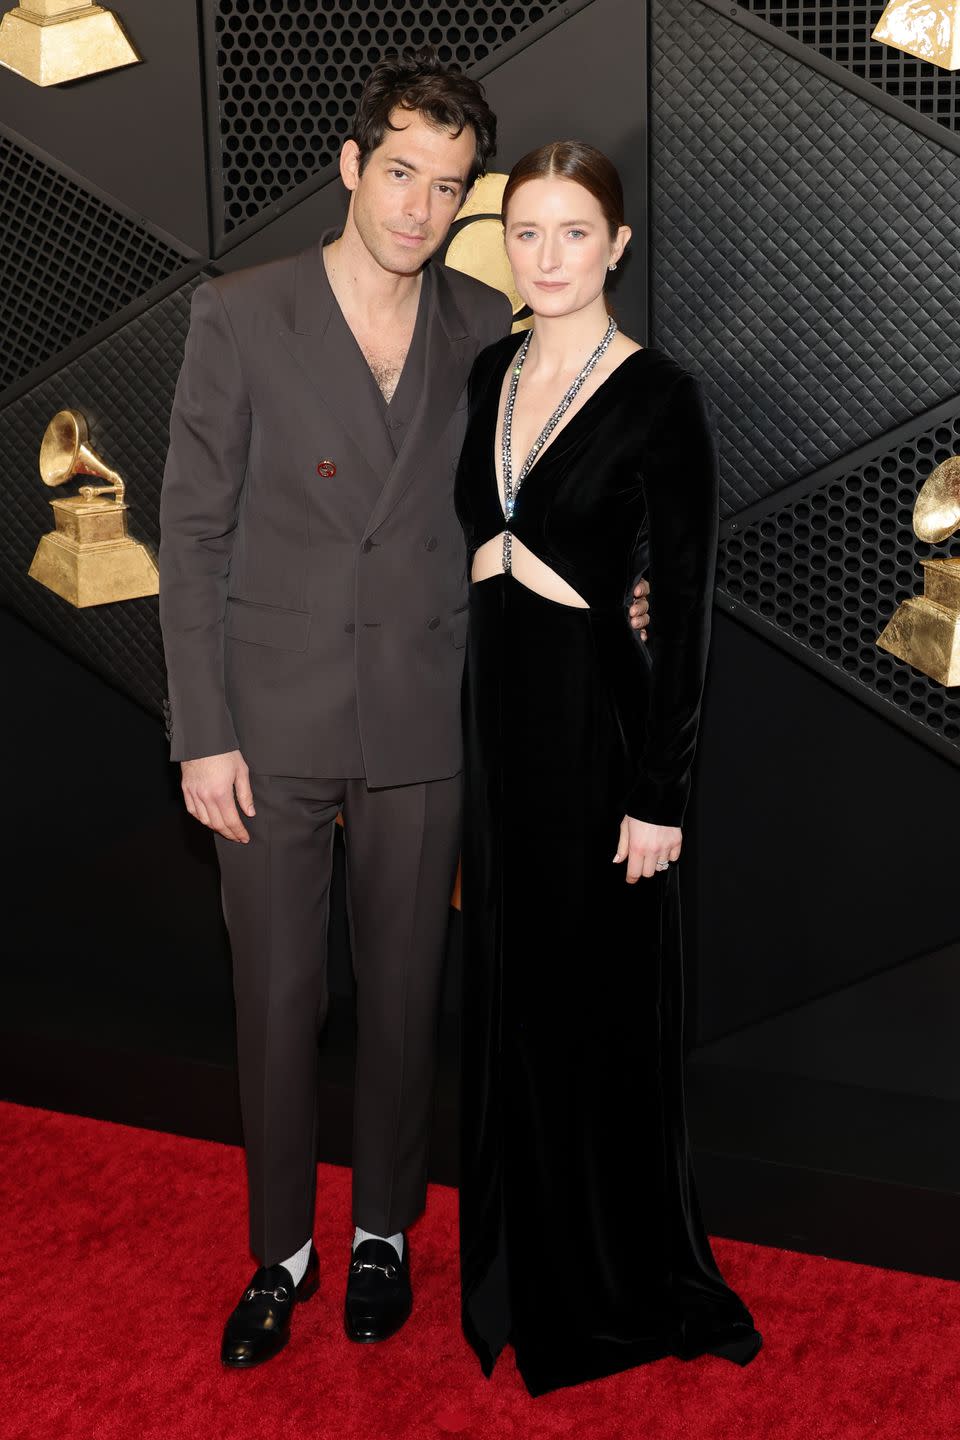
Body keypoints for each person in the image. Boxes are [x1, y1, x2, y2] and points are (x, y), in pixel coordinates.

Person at [159, 49, 653, 1368]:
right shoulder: (239, 313)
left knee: (407, 994)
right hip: (264, 725)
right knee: (277, 998)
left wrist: (621, 594)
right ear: (350, 167)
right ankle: (283, 1251)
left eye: (447, 188)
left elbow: (536, 495)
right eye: (400, 176)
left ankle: (382, 1232)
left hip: (427, 718)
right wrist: (200, 728)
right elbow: (192, 530)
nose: (418, 209)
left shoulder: (481, 332)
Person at [455, 141, 762, 1396]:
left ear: (617, 245)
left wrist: (661, 795)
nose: (548, 255)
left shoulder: (661, 397)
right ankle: (521, 1262)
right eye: (526, 231)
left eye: (573, 232)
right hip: (497, 728)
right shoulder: (491, 371)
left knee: (598, 1009)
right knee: (514, 1000)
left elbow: (683, 611)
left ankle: (610, 1274)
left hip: (603, 739)